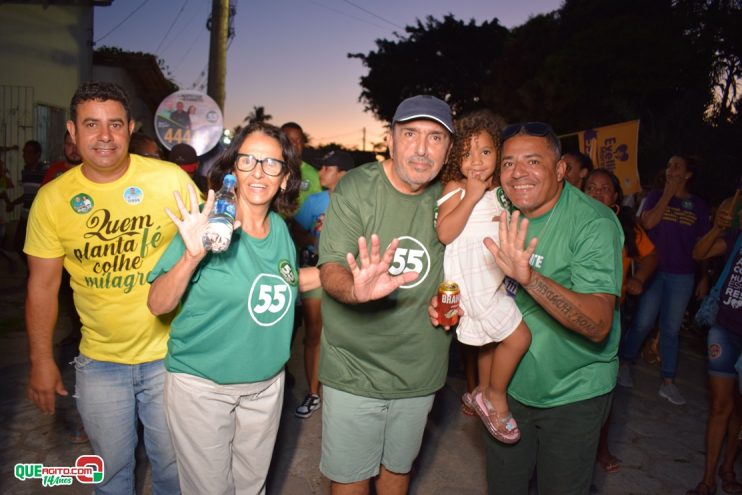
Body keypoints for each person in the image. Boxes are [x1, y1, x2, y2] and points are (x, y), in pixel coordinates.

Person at [431, 122, 622, 494]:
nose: (518, 173)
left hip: (572, 392)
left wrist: (529, 278)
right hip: (510, 389)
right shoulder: (500, 203)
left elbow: (599, 325)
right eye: (509, 163)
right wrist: (441, 298)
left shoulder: (593, 222)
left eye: (533, 161)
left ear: (561, 169)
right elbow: (462, 256)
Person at [24, 81, 192, 494]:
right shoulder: (52, 199)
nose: (104, 136)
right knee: (110, 476)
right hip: (99, 363)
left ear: (130, 128)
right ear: (72, 131)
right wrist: (41, 359)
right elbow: (42, 287)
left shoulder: (168, 178)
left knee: (174, 473)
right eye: (92, 124)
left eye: (115, 124)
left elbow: (209, 248)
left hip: (170, 358)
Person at [147, 122, 321, 494]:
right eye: (248, 161)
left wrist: (344, 277)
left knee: (251, 488)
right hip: (202, 387)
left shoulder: (279, 230)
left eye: (271, 164)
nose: (259, 172)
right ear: (231, 169)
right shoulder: (207, 222)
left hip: (265, 387)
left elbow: (286, 280)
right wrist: (191, 257)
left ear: (287, 178)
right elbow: (158, 303)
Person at [318, 95, 453, 495]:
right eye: (410, 134)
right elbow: (331, 270)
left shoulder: (453, 199)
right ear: (390, 141)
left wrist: (461, 302)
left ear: (449, 149)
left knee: (397, 472)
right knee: (351, 478)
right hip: (354, 367)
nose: (422, 149)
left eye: (435, 138)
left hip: (420, 370)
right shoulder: (357, 188)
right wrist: (356, 292)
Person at [435, 109, 531, 442]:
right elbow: (445, 233)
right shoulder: (456, 186)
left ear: (499, 154)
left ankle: (482, 392)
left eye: (486, 152)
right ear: (454, 157)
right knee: (519, 338)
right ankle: (495, 397)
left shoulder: (500, 190)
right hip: (472, 283)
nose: (476, 161)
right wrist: (471, 195)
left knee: (493, 342)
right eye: (467, 153)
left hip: (496, 277)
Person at [618, 154, 711, 405]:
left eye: (677, 167)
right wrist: (669, 193)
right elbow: (647, 223)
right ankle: (625, 363)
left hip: (683, 275)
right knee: (643, 322)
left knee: (670, 329)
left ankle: (668, 382)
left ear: (688, 175)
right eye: (669, 165)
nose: (671, 170)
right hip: (654, 272)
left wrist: (703, 277)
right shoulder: (656, 196)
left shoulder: (699, 206)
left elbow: (702, 246)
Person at [584, 168, 658, 474]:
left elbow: (652, 257)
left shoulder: (626, 225)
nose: (597, 193)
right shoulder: (570, 215)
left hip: (610, 316)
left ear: (616, 196)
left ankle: (601, 447)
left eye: (604, 189)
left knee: (602, 387)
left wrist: (638, 278)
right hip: (566, 311)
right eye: (591, 187)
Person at [293, 149, 354, 419]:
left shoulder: (357, 201)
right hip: (314, 272)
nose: (319, 173)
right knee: (314, 332)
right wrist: (311, 244)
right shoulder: (316, 201)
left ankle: (342, 394)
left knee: (343, 334)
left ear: (342, 173)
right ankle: (314, 392)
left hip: (348, 275)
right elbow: (295, 231)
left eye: (326, 168)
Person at [686, 199, 742, 495]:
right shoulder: (736, 238)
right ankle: (707, 480)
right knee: (722, 405)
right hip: (724, 327)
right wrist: (719, 226)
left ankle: (728, 467)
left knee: (739, 410)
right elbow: (699, 253)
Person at [8, 139, 47, 264]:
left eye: (29, 152)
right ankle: (31, 271)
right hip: (25, 215)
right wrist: (13, 203)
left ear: (38, 155)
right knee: (19, 246)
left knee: (37, 249)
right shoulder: (25, 171)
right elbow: (27, 194)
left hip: (38, 218)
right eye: (25, 152)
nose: (25, 155)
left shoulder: (45, 171)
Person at [281, 122, 321, 210]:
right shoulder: (270, 169)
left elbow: (318, 206)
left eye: (299, 140)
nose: (295, 144)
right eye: (290, 140)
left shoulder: (312, 173)